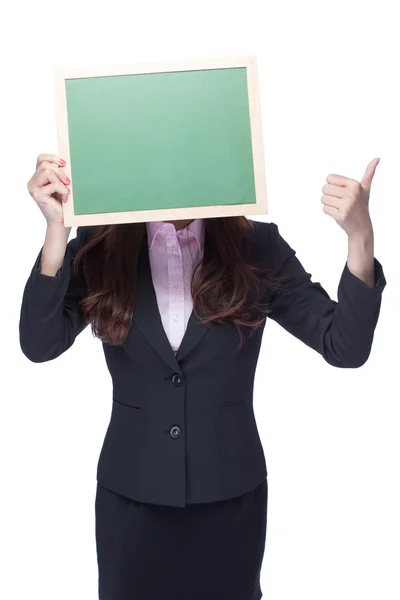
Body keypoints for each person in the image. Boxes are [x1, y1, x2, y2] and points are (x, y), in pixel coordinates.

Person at [19, 153, 386, 600]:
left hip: (230, 504)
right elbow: (39, 344)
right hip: (131, 504)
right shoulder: (100, 245)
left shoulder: (257, 245)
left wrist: (360, 236)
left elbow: (344, 346)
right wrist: (57, 230)